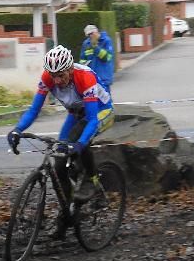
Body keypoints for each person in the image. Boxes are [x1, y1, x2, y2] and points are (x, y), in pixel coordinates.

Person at [7, 44, 114, 240]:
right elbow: (34, 110)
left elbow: (91, 120)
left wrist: (80, 144)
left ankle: (92, 179)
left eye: (62, 75)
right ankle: (67, 216)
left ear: (71, 69)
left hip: (100, 112)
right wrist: (17, 130)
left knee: (81, 141)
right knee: (58, 167)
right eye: (54, 75)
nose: (58, 80)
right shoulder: (48, 78)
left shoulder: (84, 77)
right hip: (76, 112)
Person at [79, 24, 114, 92]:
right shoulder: (86, 43)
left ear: (96, 31)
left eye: (92, 33)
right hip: (91, 78)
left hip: (104, 78)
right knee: (93, 100)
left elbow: (107, 58)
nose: (90, 36)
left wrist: (95, 47)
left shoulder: (106, 41)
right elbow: (82, 59)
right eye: (88, 35)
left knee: (105, 100)